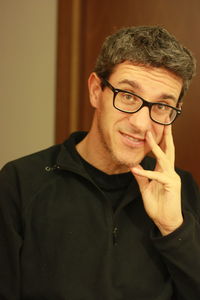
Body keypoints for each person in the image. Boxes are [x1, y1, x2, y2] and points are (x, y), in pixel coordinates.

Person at [0, 26, 199, 300]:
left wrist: (174, 229)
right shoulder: (21, 182)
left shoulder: (182, 191)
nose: (141, 124)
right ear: (96, 91)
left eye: (161, 106)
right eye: (128, 96)